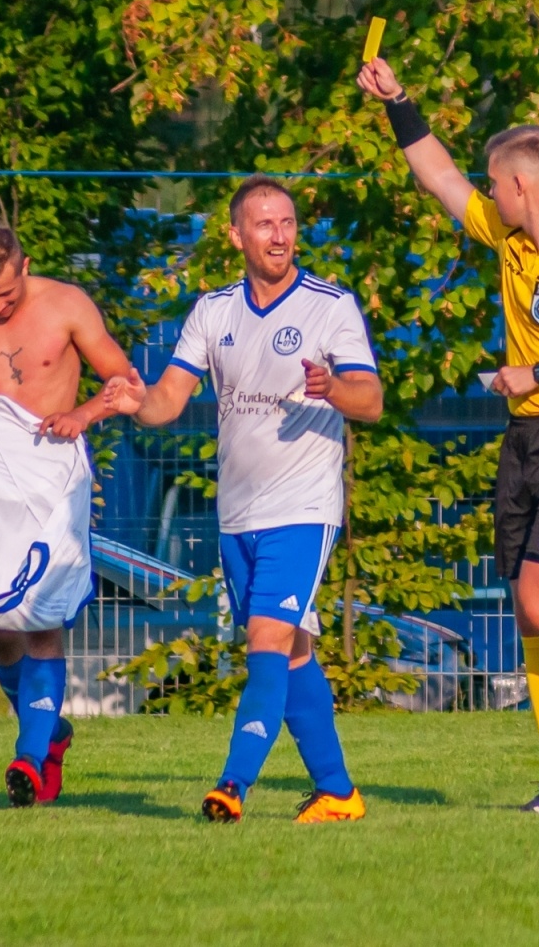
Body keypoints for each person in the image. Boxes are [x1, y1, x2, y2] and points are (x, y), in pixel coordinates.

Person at [357, 56, 539, 813]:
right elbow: (439, 177)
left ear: (522, 184)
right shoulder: (511, 237)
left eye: (497, 183)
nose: (488, 195)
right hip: (526, 441)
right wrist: (399, 100)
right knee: (530, 610)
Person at [125, 177, 383, 824]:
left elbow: (371, 400)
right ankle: (339, 794)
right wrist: (132, 403)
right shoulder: (214, 312)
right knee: (293, 653)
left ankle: (232, 786)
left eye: (288, 222)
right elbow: (168, 399)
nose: (279, 235)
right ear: (235, 235)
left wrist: (332, 389)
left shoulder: (329, 307)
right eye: (264, 224)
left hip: (303, 506)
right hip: (238, 513)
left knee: (266, 640)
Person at [0, 221, 144, 807]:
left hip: (53, 482)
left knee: (40, 620)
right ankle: (50, 732)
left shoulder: (67, 304)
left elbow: (124, 380)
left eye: (7, 295)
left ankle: (31, 757)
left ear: (25, 264)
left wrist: (83, 415)